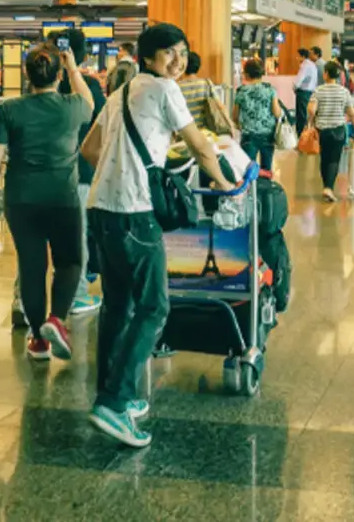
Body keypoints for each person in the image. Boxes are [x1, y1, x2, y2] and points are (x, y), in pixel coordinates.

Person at [80, 23, 235, 449]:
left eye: (182, 52)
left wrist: (122, 167)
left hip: (100, 208)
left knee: (117, 306)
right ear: (149, 57)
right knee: (153, 306)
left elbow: (90, 151)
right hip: (134, 213)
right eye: (169, 53)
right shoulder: (165, 90)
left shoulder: (119, 93)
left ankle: (110, 395)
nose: (178, 61)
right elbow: (202, 146)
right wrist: (224, 184)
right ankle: (114, 401)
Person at [0, 44, 94, 361]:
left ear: (27, 76)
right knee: (70, 261)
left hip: (21, 199)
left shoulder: (10, 109)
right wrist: (73, 68)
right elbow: (89, 99)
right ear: (59, 75)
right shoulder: (73, 106)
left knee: (31, 267)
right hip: (63, 198)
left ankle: (38, 341)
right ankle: (56, 319)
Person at [58, 28, 107, 315]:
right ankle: (76, 295)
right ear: (85, 54)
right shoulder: (88, 87)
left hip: (45, 174)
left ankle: (25, 299)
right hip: (79, 171)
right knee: (77, 236)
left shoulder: (45, 86)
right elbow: (99, 118)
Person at [307, 61, 354, 202]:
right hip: (338, 130)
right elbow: (352, 114)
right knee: (334, 160)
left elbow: (311, 110)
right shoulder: (344, 91)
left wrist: (310, 122)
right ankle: (328, 188)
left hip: (322, 130)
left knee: (325, 158)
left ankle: (327, 186)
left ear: (326, 74)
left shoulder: (319, 90)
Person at [233, 58, 282, 170]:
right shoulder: (270, 90)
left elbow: (235, 116)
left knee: (249, 168)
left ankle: (252, 187)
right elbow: (277, 112)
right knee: (267, 167)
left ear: (247, 74)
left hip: (248, 134)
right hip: (267, 134)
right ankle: (266, 186)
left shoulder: (241, 91)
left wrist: (239, 126)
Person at [177, 51, 213, 130]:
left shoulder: (176, 87)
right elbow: (219, 106)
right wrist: (230, 125)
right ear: (198, 66)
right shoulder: (206, 83)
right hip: (203, 131)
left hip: (184, 132)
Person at [293, 47, 318, 137]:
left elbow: (299, 80)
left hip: (303, 92)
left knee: (301, 116)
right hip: (310, 92)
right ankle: (307, 136)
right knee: (307, 115)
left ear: (302, 57)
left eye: (298, 56)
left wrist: (294, 87)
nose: (296, 58)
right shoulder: (313, 65)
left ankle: (301, 136)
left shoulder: (304, 65)